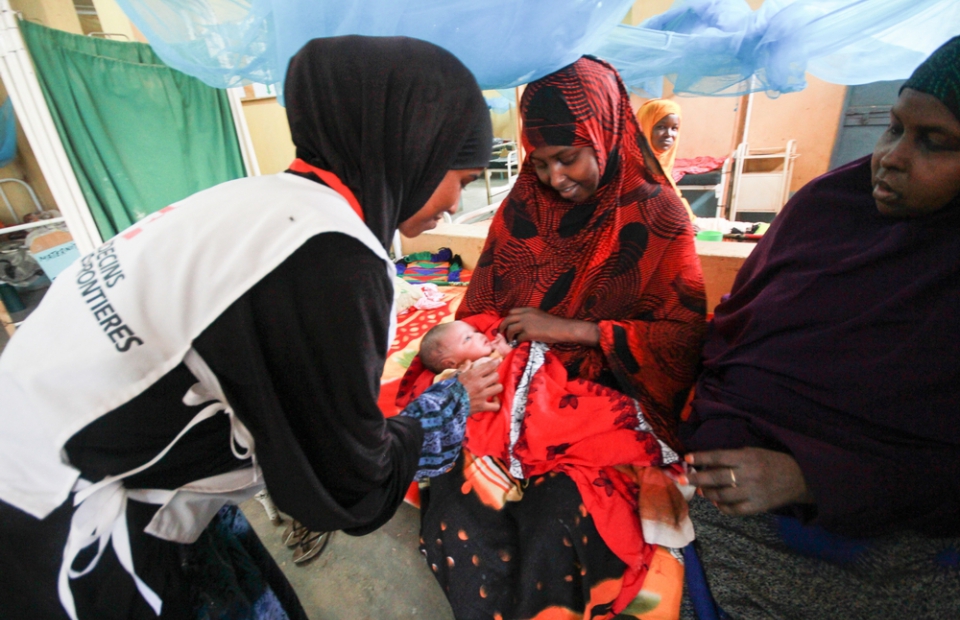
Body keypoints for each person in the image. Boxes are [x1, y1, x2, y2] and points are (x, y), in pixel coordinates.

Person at [0, 36, 503, 620]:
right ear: (413, 148)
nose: (455, 202)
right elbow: (346, 489)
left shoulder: (257, 200)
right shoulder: (332, 262)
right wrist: (445, 408)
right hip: (56, 517)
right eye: (461, 178)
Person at [679, 36, 960, 619]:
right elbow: (736, 332)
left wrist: (808, 477)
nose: (892, 157)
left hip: (885, 542)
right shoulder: (828, 207)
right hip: (725, 484)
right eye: (893, 128)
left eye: (934, 142)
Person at [418, 56, 707, 620]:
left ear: (605, 131)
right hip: (510, 398)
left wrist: (576, 331)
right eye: (540, 161)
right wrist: (478, 361)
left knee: (557, 521)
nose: (555, 178)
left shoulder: (658, 217)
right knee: (458, 494)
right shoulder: (523, 209)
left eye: (568, 157)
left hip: (603, 411)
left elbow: (682, 342)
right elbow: (479, 311)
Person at [637, 99, 695, 220]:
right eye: (661, 127)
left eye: (674, 128)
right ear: (644, 127)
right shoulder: (628, 170)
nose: (669, 134)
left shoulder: (664, 168)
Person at [419, 318, 514, 378]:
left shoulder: (493, 353)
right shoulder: (456, 377)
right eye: (467, 338)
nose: (479, 335)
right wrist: (508, 353)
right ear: (451, 363)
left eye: (476, 332)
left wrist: (504, 350)